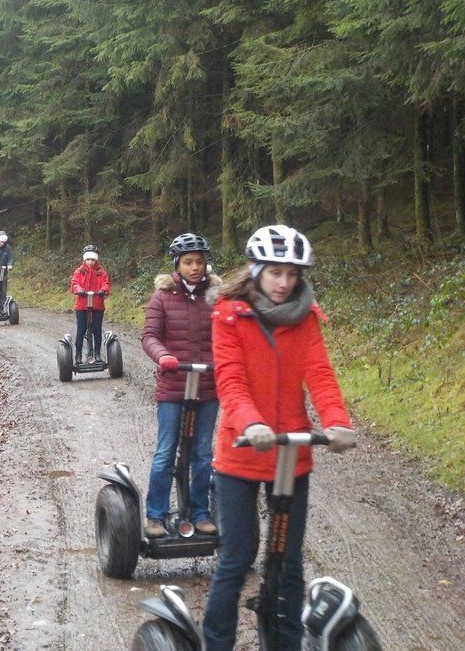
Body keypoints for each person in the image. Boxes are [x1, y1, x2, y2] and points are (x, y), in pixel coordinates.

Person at [202, 225, 356, 650]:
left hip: (292, 455)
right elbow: (229, 378)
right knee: (236, 558)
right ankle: (217, 643)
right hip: (241, 452)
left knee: (288, 563)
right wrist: (250, 423)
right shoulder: (229, 314)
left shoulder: (306, 317)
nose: (284, 282)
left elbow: (320, 373)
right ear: (256, 271)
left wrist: (336, 421)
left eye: (291, 274)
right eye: (275, 273)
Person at [141, 233, 220, 541]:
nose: (195, 268)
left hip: (207, 386)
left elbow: (225, 337)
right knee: (165, 451)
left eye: (199, 262)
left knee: (202, 453)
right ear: (177, 264)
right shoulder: (163, 296)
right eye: (188, 262)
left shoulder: (215, 297)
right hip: (174, 386)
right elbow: (150, 336)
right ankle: (156, 515)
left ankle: (200, 513)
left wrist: (223, 361)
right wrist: (164, 356)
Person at [69, 245, 110, 363]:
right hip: (82, 306)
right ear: (84, 260)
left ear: (96, 259)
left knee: (97, 330)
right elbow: (74, 283)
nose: (90, 262)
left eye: (92, 259)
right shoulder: (79, 271)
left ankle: (97, 353)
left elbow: (106, 283)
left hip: (97, 305)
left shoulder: (101, 272)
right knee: (81, 331)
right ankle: (78, 355)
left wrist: (103, 290)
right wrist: (78, 289)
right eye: (88, 259)